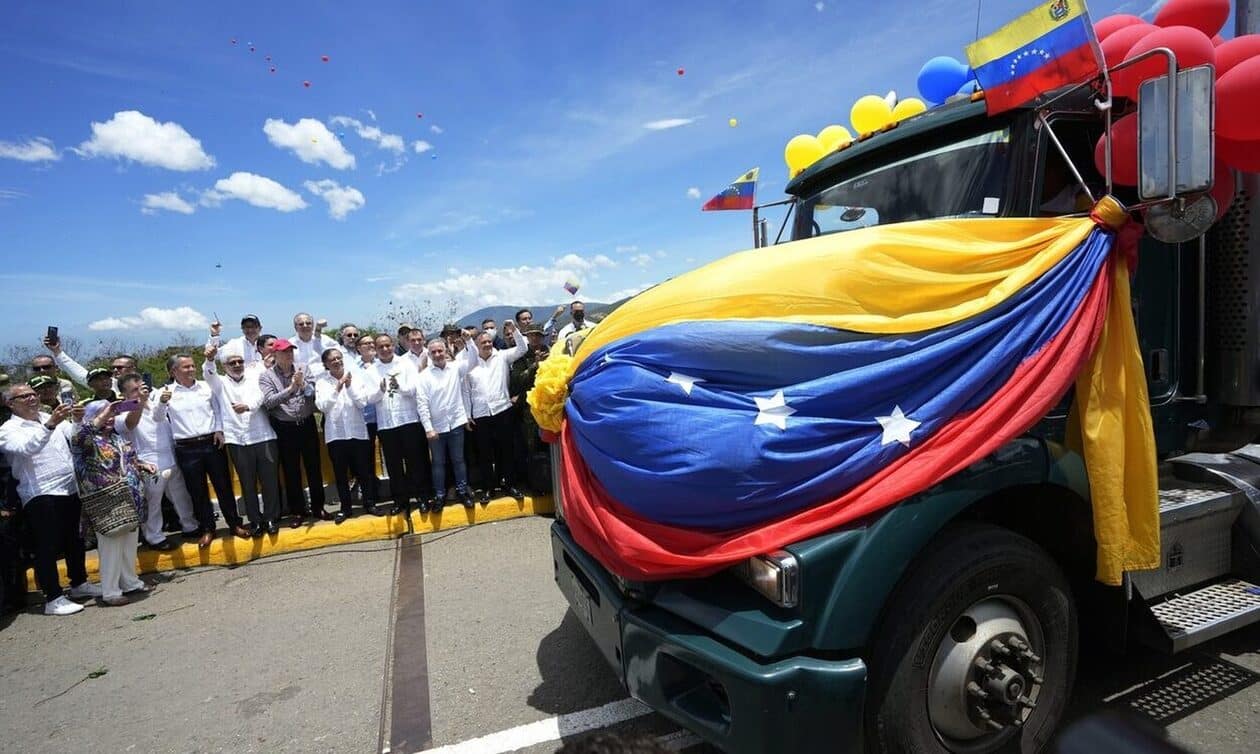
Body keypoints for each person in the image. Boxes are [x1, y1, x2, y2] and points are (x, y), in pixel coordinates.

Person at [0, 385, 99, 615]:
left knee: (75, 540)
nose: (32, 398)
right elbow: (26, 448)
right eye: (24, 396)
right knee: (47, 546)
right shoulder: (7, 429)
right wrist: (51, 424)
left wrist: (77, 420)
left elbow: (74, 437)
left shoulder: (48, 417)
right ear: (10, 403)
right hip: (41, 493)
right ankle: (53, 597)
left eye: (33, 394)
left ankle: (79, 583)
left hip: (69, 487)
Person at [71, 400, 151, 606]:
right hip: (106, 501)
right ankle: (111, 592)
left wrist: (142, 465)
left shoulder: (116, 437)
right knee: (111, 546)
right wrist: (105, 413)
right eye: (104, 414)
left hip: (129, 498)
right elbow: (80, 437)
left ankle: (130, 582)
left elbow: (126, 461)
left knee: (129, 543)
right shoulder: (87, 440)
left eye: (112, 413)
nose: (110, 418)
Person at [163, 353, 249, 547]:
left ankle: (234, 524)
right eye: (186, 367)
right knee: (197, 490)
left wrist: (219, 430)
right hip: (186, 447)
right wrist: (161, 403)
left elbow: (218, 410)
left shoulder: (206, 387)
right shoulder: (165, 393)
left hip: (212, 442)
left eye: (193, 366)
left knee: (223, 485)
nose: (191, 369)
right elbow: (159, 418)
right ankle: (208, 528)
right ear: (174, 371)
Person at [204, 344, 282, 536]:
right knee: (247, 483)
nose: (237, 365)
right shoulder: (220, 383)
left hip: (263, 436)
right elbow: (208, 372)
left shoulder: (255, 377)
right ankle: (255, 520)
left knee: (270, 481)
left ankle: (271, 518)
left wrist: (247, 406)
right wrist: (210, 358)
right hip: (238, 439)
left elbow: (261, 396)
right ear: (224, 366)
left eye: (240, 361)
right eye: (232, 363)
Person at [116, 373, 198, 550]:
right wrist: (139, 402)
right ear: (124, 394)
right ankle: (154, 537)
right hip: (149, 462)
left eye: (141, 387)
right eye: (134, 390)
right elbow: (130, 424)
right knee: (153, 502)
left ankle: (190, 526)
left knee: (181, 496)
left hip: (170, 456)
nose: (140, 392)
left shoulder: (154, 403)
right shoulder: (121, 410)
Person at [259, 338, 330, 527]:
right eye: (284, 352)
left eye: (290, 351)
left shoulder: (303, 368)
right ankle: (297, 511)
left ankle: (318, 507)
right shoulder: (266, 376)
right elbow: (269, 402)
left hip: (306, 424)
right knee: (291, 471)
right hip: (285, 428)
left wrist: (303, 385)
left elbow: (312, 393)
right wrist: (291, 388)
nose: (288, 355)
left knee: (313, 467)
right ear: (275, 354)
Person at [314, 348, 382, 523]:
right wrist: (337, 388)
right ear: (326, 364)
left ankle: (370, 503)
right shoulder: (322, 382)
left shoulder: (356, 377)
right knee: (341, 474)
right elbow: (322, 406)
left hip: (357, 432)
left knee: (364, 471)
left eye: (339, 358)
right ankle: (345, 508)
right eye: (332, 360)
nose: (337, 362)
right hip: (336, 435)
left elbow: (362, 403)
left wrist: (349, 386)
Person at [464, 323, 529, 502]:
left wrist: (514, 329)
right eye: (483, 342)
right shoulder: (470, 364)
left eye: (489, 341)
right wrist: (467, 415)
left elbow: (523, 348)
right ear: (476, 345)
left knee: (506, 450)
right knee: (485, 453)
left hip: (502, 410)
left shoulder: (502, 356)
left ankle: (509, 484)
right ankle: (488, 488)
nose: (487, 344)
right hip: (480, 415)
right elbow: (466, 392)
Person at [370, 334, 433, 513]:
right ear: (376, 349)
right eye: (381, 347)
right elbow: (368, 398)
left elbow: (414, 388)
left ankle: (423, 497)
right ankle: (400, 500)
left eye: (387, 345)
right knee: (393, 465)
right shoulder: (371, 370)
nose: (385, 349)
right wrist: (380, 391)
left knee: (416, 461)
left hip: (409, 420)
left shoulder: (406, 364)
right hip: (387, 424)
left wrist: (400, 387)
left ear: (393, 345)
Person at [416, 338, 476, 508]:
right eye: (433, 352)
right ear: (429, 355)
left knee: (459, 460)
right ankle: (439, 496)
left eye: (440, 351)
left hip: (456, 424)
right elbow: (422, 404)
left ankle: (462, 492)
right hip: (436, 428)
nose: (437, 354)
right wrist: (428, 428)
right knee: (438, 463)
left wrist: (469, 341)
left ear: (445, 351)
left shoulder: (455, 368)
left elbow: (473, 360)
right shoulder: (424, 376)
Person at [45, 337, 135, 394]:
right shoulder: (107, 385)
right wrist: (57, 351)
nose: (115, 370)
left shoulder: (142, 387)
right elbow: (78, 373)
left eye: (119, 368)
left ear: (132, 369)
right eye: (112, 368)